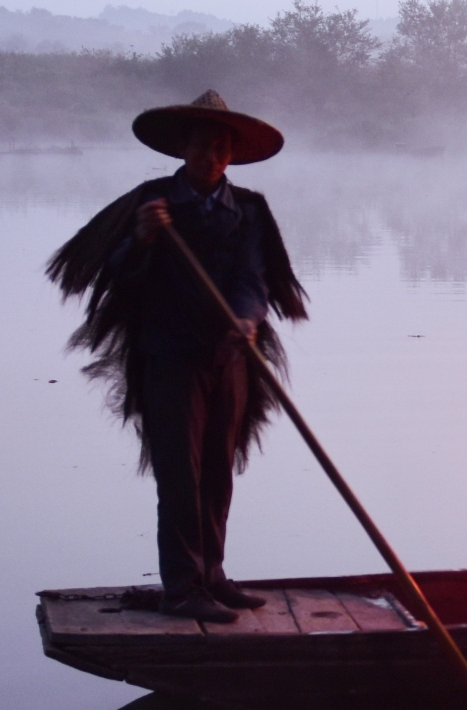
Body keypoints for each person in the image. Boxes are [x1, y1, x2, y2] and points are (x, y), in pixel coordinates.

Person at [46, 91, 309, 622]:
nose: (211, 156)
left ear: (231, 154)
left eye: (220, 147)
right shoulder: (153, 204)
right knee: (179, 475)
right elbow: (116, 277)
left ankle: (213, 575)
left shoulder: (250, 210)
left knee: (218, 470)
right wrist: (141, 239)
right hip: (169, 356)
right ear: (182, 149)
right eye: (201, 145)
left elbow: (254, 280)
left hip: (229, 356)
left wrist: (247, 319)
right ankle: (183, 588)